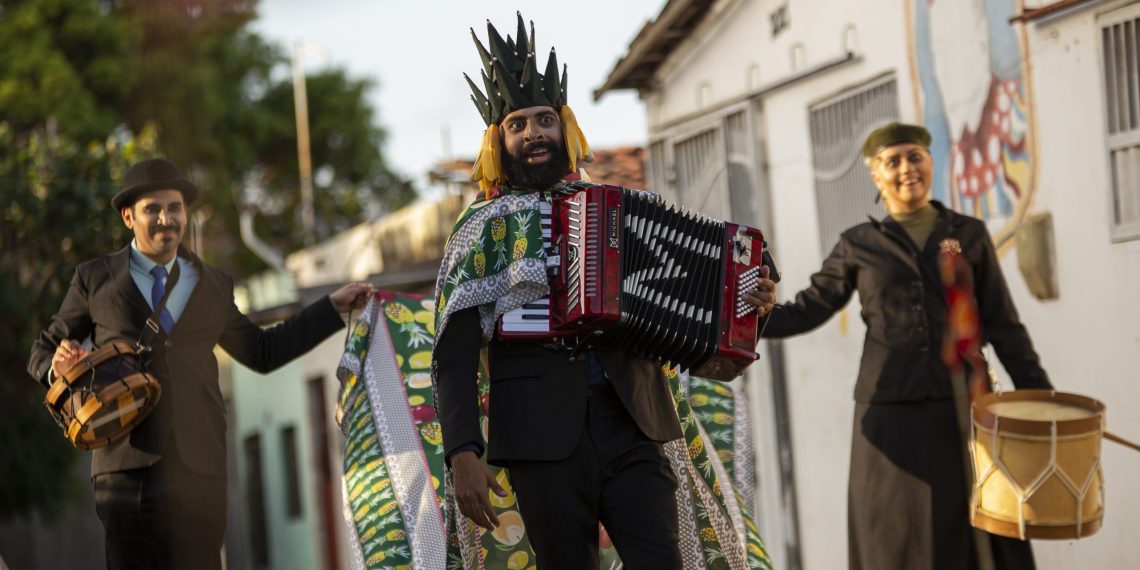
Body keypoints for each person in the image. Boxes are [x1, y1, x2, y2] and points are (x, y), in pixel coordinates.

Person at [431, 14, 776, 570]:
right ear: (499, 142)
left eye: (545, 120)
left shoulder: (616, 209)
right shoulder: (479, 230)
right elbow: (452, 356)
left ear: (566, 129)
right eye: (518, 125)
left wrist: (755, 304)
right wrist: (462, 452)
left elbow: (706, 294)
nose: (534, 134)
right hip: (538, 436)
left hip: (633, 423)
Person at [26, 157, 373, 570]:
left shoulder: (212, 283)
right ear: (128, 217)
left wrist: (330, 310)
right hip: (125, 469)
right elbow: (42, 350)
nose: (165, 219)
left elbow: (263, 352)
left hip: (200, 468)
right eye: (152, 209)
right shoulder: (94, 278)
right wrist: (59, 364)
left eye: (174, 208)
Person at [761, 122, 1052, 570]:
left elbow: (1003, 325)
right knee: (895, 538)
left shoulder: (967, 235)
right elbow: (807, 309)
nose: (906, 169)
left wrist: (1042, 399)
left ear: (931, 164)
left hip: (965, 406)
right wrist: (754, 317)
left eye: (915, 157)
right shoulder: (859, 244)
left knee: (977, 533)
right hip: (889, 411)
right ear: (875, 176)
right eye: (891, 162)